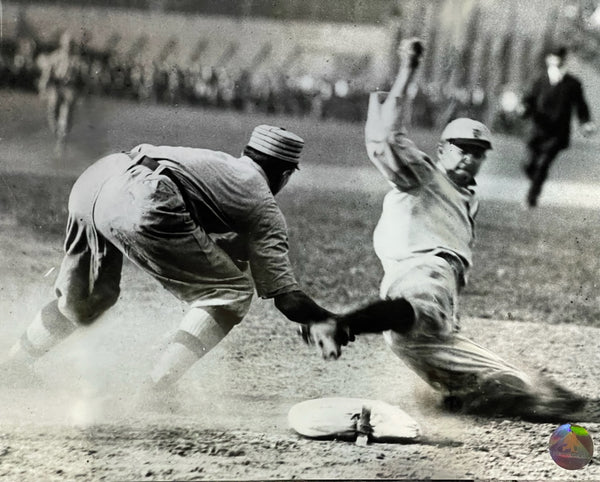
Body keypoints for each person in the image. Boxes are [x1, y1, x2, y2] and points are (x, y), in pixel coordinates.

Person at [303, 38, 593, 422]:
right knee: (423, 313)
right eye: (460, 148)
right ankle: (340, 325)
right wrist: (407, 68)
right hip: (422, 278)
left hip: (436, 321)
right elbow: (384, 139)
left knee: (519, 385)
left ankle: (466, 402)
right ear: (441, 151)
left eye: (477, 152)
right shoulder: (422, 176)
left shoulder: (467, 195)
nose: (468, 157)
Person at [1, 125, 347, 404]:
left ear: (249, 154)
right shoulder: (263, 202)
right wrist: (324, 317)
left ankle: (15, 364)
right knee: (232, 291)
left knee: (89, 297)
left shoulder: (220, 163)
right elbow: (286, 297)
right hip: (145, 193)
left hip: (97, 177)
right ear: (285, 173)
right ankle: (157, 387)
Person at [520, 44, 596, 207]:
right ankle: (537, 182)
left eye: (559, 58)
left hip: (557, 133)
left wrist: (585, 122)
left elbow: (581, 106)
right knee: (528, 165)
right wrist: (523, 109)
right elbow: (528, 101)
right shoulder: (539, 79)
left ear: (564, 60)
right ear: (548, 59)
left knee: (543, 164)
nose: (555, 61)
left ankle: (531, 198)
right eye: (553, 57)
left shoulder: (573, 84)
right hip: (537, 130)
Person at [37, 31, 84, 157]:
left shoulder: (76, 60)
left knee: (66, 114)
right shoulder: (55, 57)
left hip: (70, 89)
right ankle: (58, 133)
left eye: (71, 44)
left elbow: (82, 79)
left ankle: (61, 142)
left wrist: (82, 93)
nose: (68, 46)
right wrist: (43, 88)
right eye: (66, 43)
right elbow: (47, 74)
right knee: (53, 111)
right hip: (56, 87)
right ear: (62, 43)